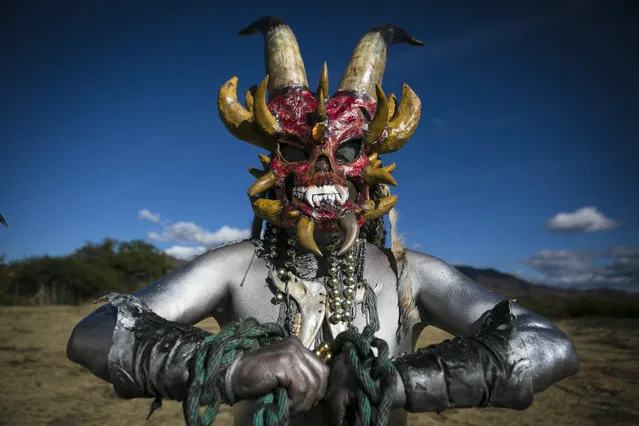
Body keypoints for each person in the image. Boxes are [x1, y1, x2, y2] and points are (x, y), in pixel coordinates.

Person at [67, 16, 580, 426]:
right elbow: (95, 334)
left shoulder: (412, 277)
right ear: (273, 163)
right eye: (295, 148)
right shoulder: (237, 267)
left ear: (370, 165)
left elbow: (550, 347)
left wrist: (394, 383)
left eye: (348, 148)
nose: (321, 165)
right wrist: (235, 365)